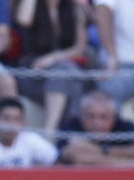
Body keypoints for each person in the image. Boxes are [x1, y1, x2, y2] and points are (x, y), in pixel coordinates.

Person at [13, 0, 85, 135]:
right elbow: (23, 20)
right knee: (68, 74)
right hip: (32, 71)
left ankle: (51, 133)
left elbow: (79, 48)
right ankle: (63, 133)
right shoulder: (31, 5)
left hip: (64, 69)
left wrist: (53, 58)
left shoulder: (74, 9)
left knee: (64, 72)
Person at [57, 89, 134, 166]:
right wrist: (132, 163)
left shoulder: (124, 125)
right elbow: (78, 158)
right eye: (90, 116)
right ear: (81, 115)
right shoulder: (71, 126)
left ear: (113, 116)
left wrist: (99, 149)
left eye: (103, 117)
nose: (96, 123)